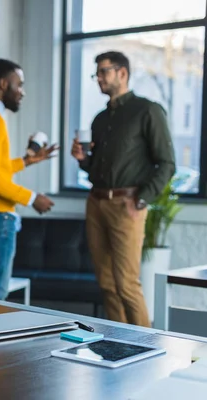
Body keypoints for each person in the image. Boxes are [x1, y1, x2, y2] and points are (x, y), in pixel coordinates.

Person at [71, 51, 175, 327]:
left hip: (127, 205)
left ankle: (147, 348)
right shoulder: (100, 119)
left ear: (122, 73)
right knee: (106, 283)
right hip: (96, 203)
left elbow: (166, 163)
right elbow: (95, 171)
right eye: (97, 74)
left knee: (127, 284)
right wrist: (83, 160)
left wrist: (140, 200)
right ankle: (118, 344)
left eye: (103, 72)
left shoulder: (147, 111)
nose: (98, 79)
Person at [0, 59, 58, 300]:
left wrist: (27, 160)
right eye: (19, 85)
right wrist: (32, 198)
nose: (22, 92)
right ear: (3, 83)